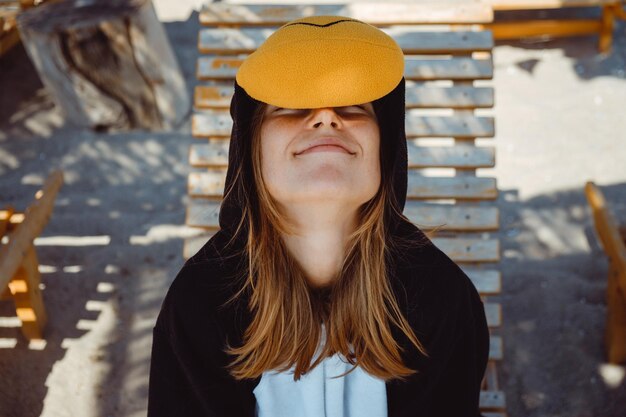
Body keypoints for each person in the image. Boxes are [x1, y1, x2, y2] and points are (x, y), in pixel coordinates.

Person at [148, 15, 489, 417]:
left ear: (386, 150)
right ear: (251, 154)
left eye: (353, 106)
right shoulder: (203, 301)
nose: (326, 117)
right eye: (290, 107)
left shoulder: (439, 297)